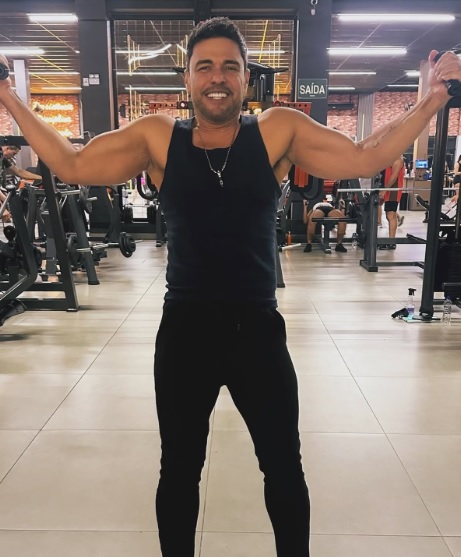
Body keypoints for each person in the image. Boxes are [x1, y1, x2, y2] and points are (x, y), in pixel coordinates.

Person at [0, 17, 460, 557]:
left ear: (246, 78)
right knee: (179, 470)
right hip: (185, 332)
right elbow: (72, 163)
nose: (217, 77)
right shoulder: (158, 137)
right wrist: (8, 95)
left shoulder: (276, 130)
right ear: (188, 79)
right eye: (205, 67)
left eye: (229, 67)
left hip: (256, 332)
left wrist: (431, 102)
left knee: (283, 466)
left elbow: (364, 156)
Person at [379, 155, 405, 250]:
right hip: (388, 189)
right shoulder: (390, 158)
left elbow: (394, 177)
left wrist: (384, 190)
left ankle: (391, 242)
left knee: (390, 215)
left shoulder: (398, 160)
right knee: (390, 215)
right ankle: (390, 241)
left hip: (393, 190)